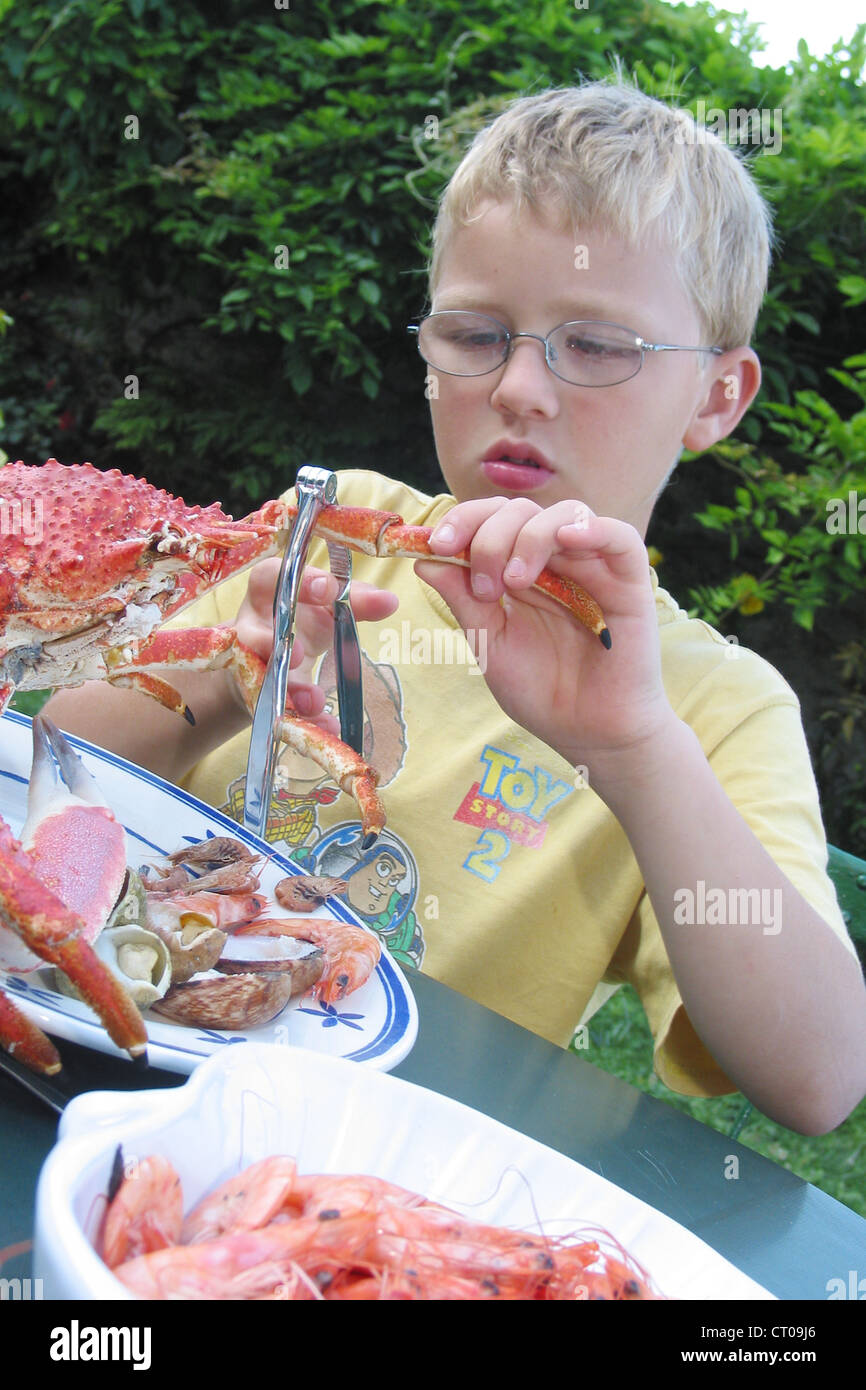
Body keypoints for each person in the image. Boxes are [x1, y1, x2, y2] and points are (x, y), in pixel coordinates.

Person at [46, 79, 866, 1134]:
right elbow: (58, 764)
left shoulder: (710, 705)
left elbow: (818, 1073)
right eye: (475, 333)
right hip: (105, 1046)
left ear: (715, 395)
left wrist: (632, 748)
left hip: (367, 1168)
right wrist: (218, 680)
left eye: (598, 346)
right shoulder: (335, 522)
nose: (520, 385)